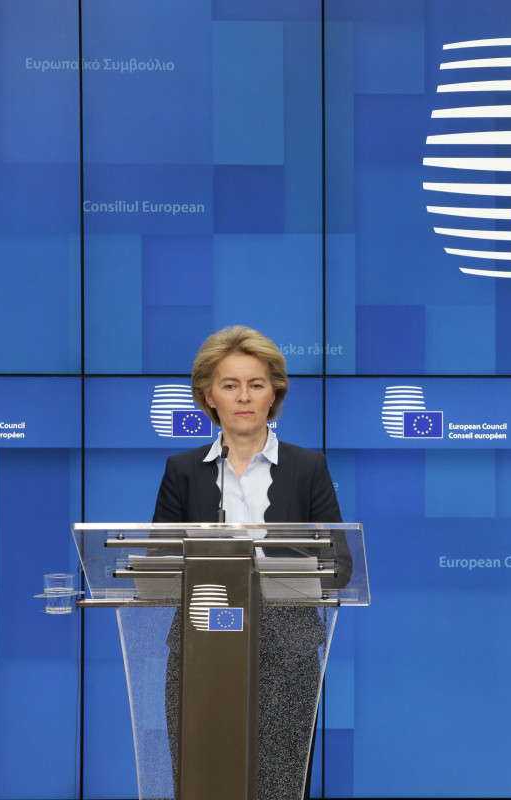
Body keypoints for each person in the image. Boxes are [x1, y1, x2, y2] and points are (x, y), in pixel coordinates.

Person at [153, 325, 349, 800]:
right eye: (230, 384)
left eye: (256, 384)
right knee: (201, 780)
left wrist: (266, 572)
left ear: (273, 393)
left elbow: (340, 566)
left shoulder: (308, 467)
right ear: (209, 395)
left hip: (290, 651)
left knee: (279, 785)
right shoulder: (182, 471)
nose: (244, 397)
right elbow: (157, 564)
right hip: (201, 647)